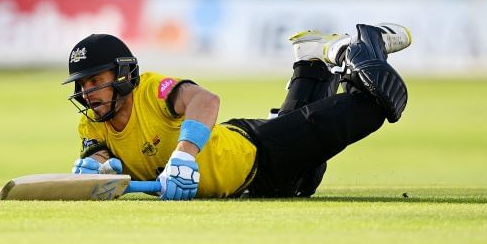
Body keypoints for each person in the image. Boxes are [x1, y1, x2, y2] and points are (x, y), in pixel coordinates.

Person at [62, 24, 411, 200]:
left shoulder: (151, 90)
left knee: (371, 108)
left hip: (261, 152)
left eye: (95, 80)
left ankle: (368, 44)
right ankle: (310, 62)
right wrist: (97, 172)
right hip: (256, 189)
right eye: (82, 84)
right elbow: (99, 156)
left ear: (123, 76)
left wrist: (184, 156)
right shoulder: (90, 125)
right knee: (305, 180)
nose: (87, 92)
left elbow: (206, 102)